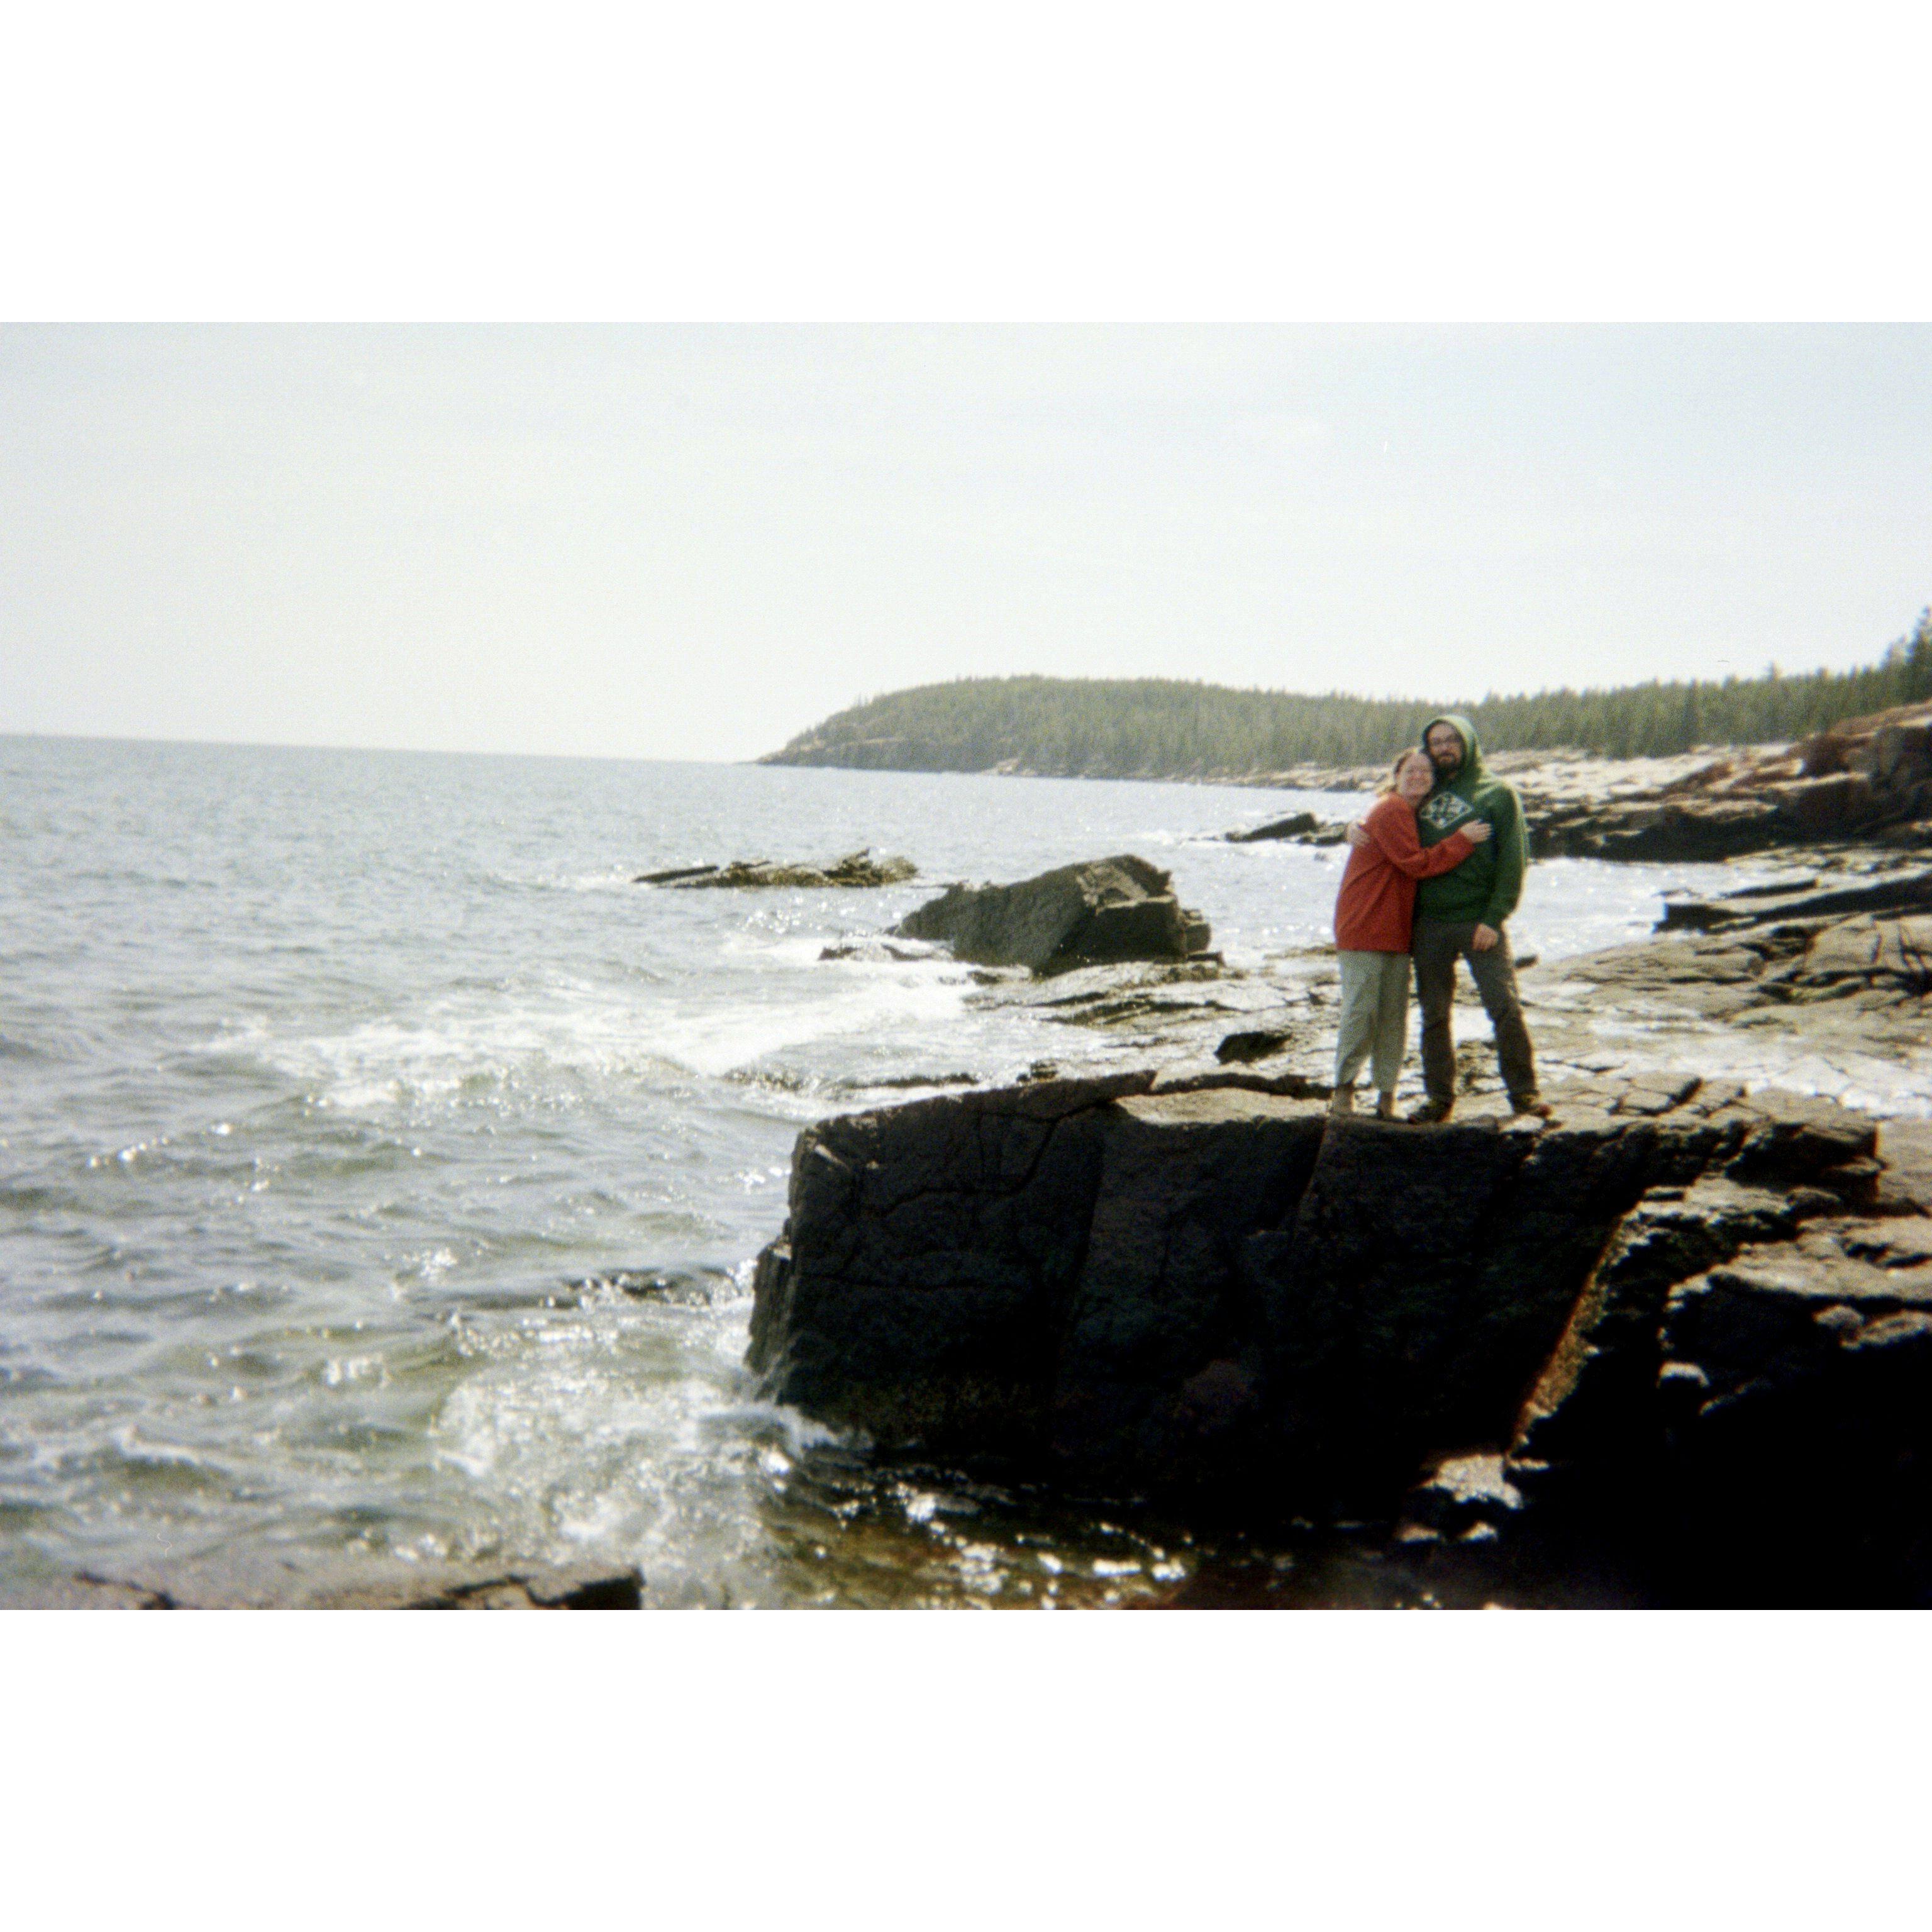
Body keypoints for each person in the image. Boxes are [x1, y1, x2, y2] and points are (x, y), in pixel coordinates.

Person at [1398, 713, 1549, 1123]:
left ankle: (1524, 1095)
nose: (1443, 747)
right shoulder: (1424, 790)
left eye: (1451, 740)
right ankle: (1439, 1099)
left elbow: (1514, 861)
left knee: (1504, 1006)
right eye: (1435, 742)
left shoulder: (1497, 793)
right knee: (1434, 1014)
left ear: (1467, 743)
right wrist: (1352, 830)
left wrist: (1494, 917)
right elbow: (1386, 821)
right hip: (1429, 924)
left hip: (1479, 922)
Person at [1330, 748, 1489, 1118]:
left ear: (1434, 780)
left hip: (1397, 931)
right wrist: (1463, 840)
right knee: (1361, 1012)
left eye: (1425, 772)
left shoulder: (1416, 815)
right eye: (1411, 770)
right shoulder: (1393, 809)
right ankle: (1343, 1089)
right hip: (1364, 927)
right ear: (1397, 775)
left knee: (1392, 1018)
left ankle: (1387, 1095)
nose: (1418, 777)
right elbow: (1416, 864)